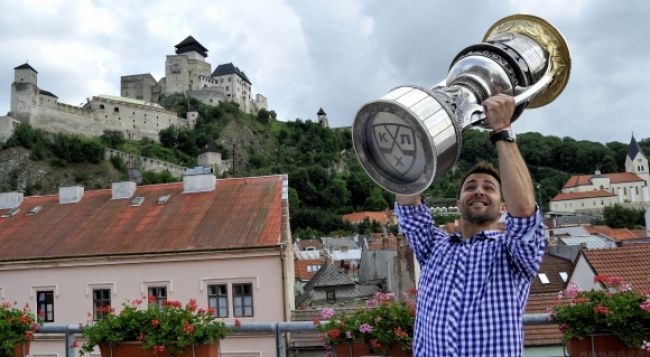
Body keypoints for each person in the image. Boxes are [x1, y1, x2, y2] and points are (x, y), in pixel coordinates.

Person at [395, 94, 544, 356]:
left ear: (502, 206)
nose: (478, 191)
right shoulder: (434, 246)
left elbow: (524, 212)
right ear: (458, 201)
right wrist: (416, 132)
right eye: (470, 186)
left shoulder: (513, 253)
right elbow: (408, 205)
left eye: (489, 188)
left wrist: (502, 130)